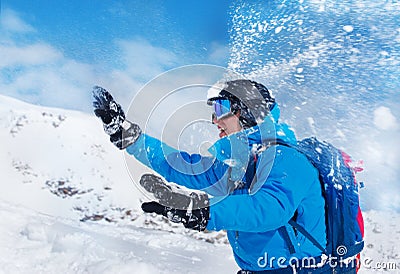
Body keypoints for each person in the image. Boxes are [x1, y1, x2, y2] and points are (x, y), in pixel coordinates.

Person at [93, 79, 328, 273]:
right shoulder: (239, 166)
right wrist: (129, 137)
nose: (215, 120)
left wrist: (201, 209)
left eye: (221, 109)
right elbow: (182, 165)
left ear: (247, 111)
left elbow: (270, 209)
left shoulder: (288, 159)